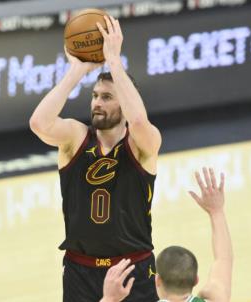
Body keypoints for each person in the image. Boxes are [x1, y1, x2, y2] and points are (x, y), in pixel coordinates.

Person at [29, 15, 161, 301]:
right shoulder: (76, 137)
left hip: (132, 267)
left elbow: (138, 122)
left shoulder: (143, 144)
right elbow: (39, 123)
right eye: (95, 95)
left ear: (124, 104)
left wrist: (114, 61)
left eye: (107, 97)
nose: (97, 103)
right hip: (81, 269)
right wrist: (77, 70)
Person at [101, 168, 233, 302]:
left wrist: (109, 298)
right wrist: (216, 211)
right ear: (196, 280)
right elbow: (224, 259)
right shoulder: (217, 298)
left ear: (157, 280)